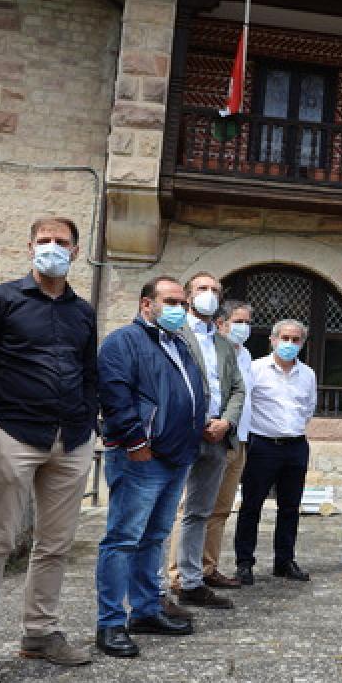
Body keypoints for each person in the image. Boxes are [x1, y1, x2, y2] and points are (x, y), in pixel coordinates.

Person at [0, 216, 97, 683]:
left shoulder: (83, 311)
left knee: (54, 545)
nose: (52, 248)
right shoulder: (0, 300)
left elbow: (88, 371)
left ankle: (39, 633)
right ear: (29, 246)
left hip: (71, 439)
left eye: (62, 242)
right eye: (45, 241)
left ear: (76, 251)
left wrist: (90, 421)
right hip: (13, 433)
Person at [94, 276, 207, 658]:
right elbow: (115, 393)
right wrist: (135, 441)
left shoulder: (177, 343)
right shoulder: (123, 341)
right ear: (147, 305)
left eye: (182, 301)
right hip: (141, 457)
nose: (180, 307)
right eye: (171, 300)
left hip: (176, 457)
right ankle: (110, 623)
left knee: (153, 538)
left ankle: (144, 610)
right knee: (123, 539)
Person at [164, 273, 245, 611]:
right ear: (187, 295)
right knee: (166, 511)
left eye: (214, 290)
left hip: (217, 437)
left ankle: (192, 581)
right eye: (202, 289)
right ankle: (163, 583)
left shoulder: (225, 344)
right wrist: (196, 421)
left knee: (200, 511)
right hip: (181, 434)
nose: (209, 295)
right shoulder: (173, 334)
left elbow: (238, 388)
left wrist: (226, 421)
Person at [233, 319, 317, 585]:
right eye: (285, 338)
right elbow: (245, 405)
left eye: (296, 340)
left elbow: (308, 408)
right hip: (263, 445)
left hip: (295, 445)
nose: (290, 344)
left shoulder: (308, 374)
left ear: (302, 343)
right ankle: (244, 562)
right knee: (251, 506)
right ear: (272, 340)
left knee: (290, 507)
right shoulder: (256, 369)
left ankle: (284, 560)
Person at [194, 300, 255, 588]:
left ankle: (208, 567)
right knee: (193, 510)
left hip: (238, 440)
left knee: (220, 511)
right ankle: (181, 572)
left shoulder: (246, 356)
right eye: (238, 321)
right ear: (221, 324)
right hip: (215, 436)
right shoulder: (211, 351)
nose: (244, 328)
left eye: (247, 322)